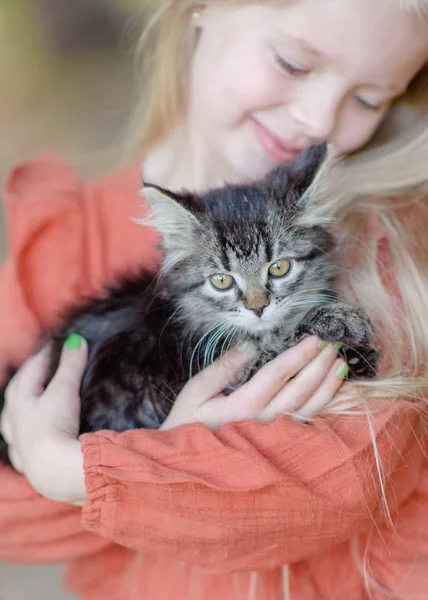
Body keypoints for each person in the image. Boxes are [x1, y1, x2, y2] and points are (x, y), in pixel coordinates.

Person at [0, 1, 427, 598]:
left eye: (369, 98)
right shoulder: (64, 238)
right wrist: (67, 470)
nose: (318, 118)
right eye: (294, 61)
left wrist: (86, 475)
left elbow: (351, 483)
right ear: (201, 9)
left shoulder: (393, 246)